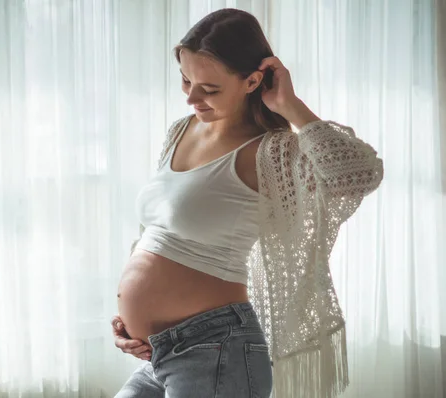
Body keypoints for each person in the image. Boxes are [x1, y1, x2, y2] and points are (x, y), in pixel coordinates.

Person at [111, 8, 383, 398]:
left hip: (216, 350)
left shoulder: (272, 151)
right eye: (186, 80)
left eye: (209, 88)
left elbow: (359, 173)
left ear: (253, 80)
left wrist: (290, 106)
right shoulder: (181, 130)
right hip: (161, 352)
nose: (191, 97)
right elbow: (157, 235)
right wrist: (130, 317)